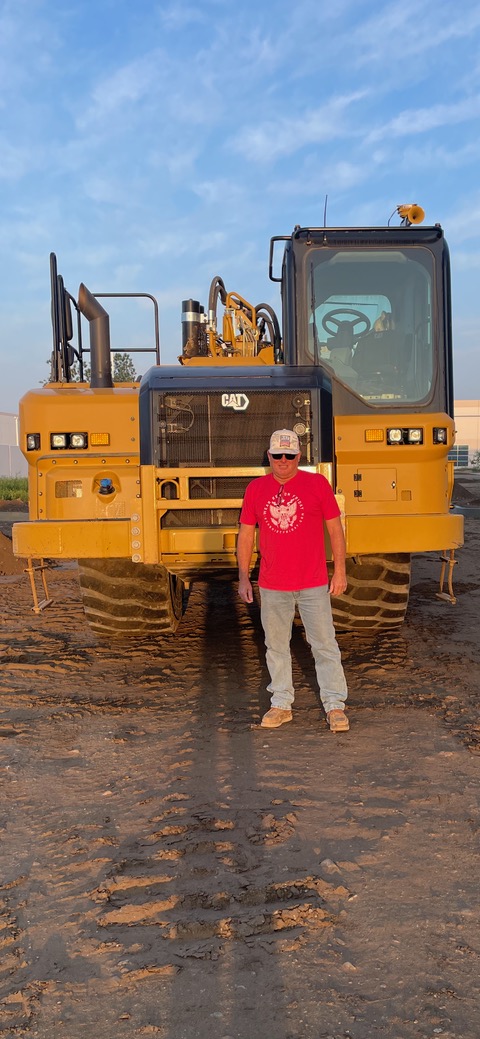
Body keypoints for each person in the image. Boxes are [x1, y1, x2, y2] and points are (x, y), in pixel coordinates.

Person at [237, 429, 349, 732]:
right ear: (270, 456)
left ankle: (335, 705)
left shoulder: (317, 484)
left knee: (324, 644)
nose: (283, 461)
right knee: (275, 646)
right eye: (277, 456)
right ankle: (281, 704)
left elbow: (335, 530)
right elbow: (246, 534)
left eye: (289, 455)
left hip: (313, 582)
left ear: (299, 456)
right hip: (273, 584)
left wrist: (339, 570)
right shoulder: (256, 489)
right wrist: (244, 576)